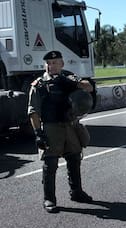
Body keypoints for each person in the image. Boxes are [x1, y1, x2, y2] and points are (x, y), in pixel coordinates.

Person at [28, 50, 94, 213]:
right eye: (48, 63)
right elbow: (33, 111)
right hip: (51, 128)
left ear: (62, 64)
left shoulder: (69, 78)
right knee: (50, 164)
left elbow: (89, 87)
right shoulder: (40, 84)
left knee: (74, 159)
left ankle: (76, 192)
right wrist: (38, 133)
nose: (51, 66)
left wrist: (72, 83)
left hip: (70, 125)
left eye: (55, 62)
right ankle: (49, 199)